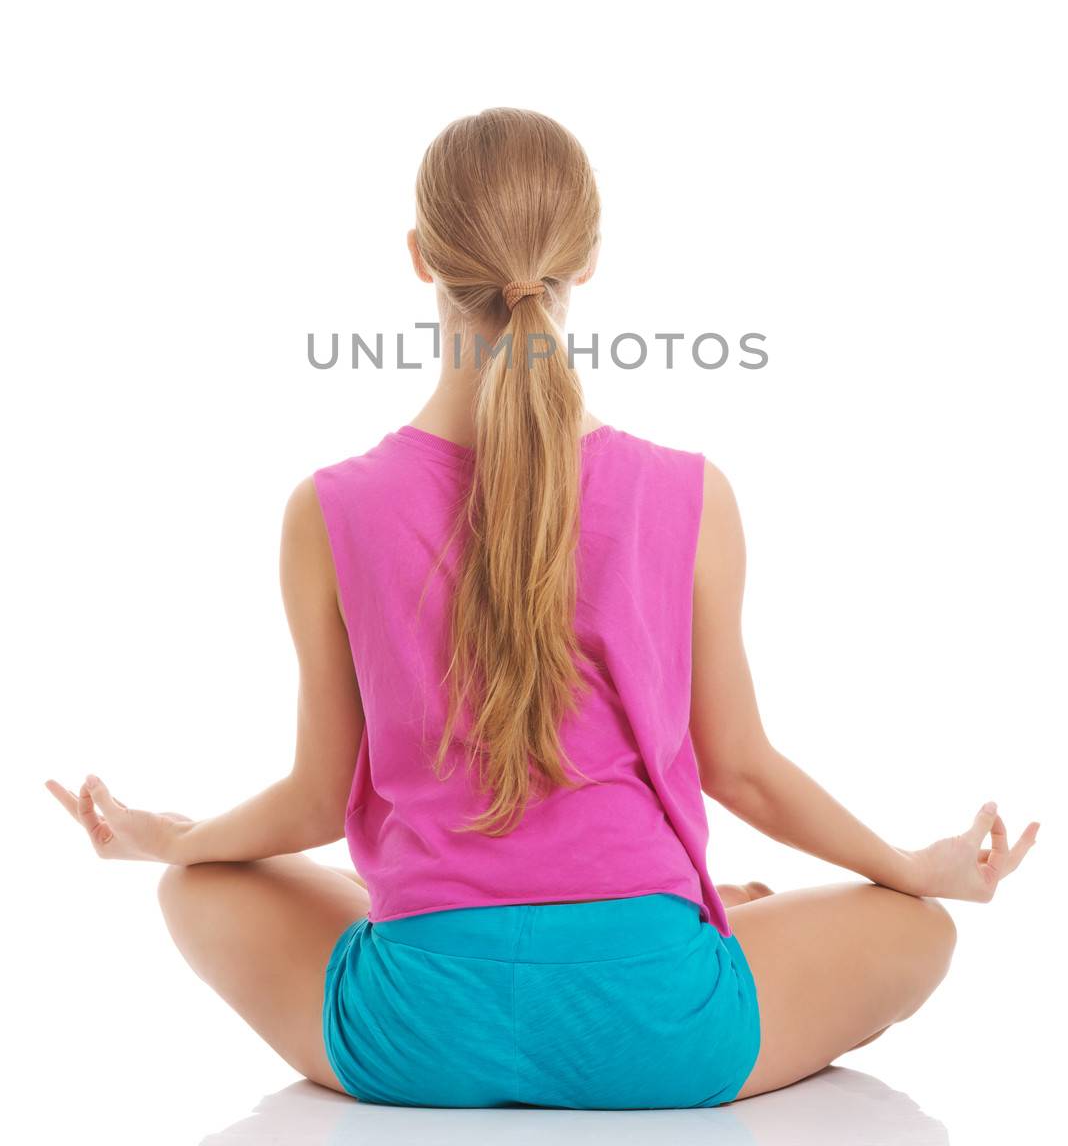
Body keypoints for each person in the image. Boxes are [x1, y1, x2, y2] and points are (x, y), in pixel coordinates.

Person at [45, 107, 1039, 1110]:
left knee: (199, 884)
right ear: (590, 260)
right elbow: (744, 769)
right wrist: (913, 863)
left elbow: (314, 800)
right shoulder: (691, 493)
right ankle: (671, 919)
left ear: (420, 257)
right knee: (924, 927)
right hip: (665, 1027)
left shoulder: (329, 508)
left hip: (415, 1032)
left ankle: (478, 924)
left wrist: (169, 837)